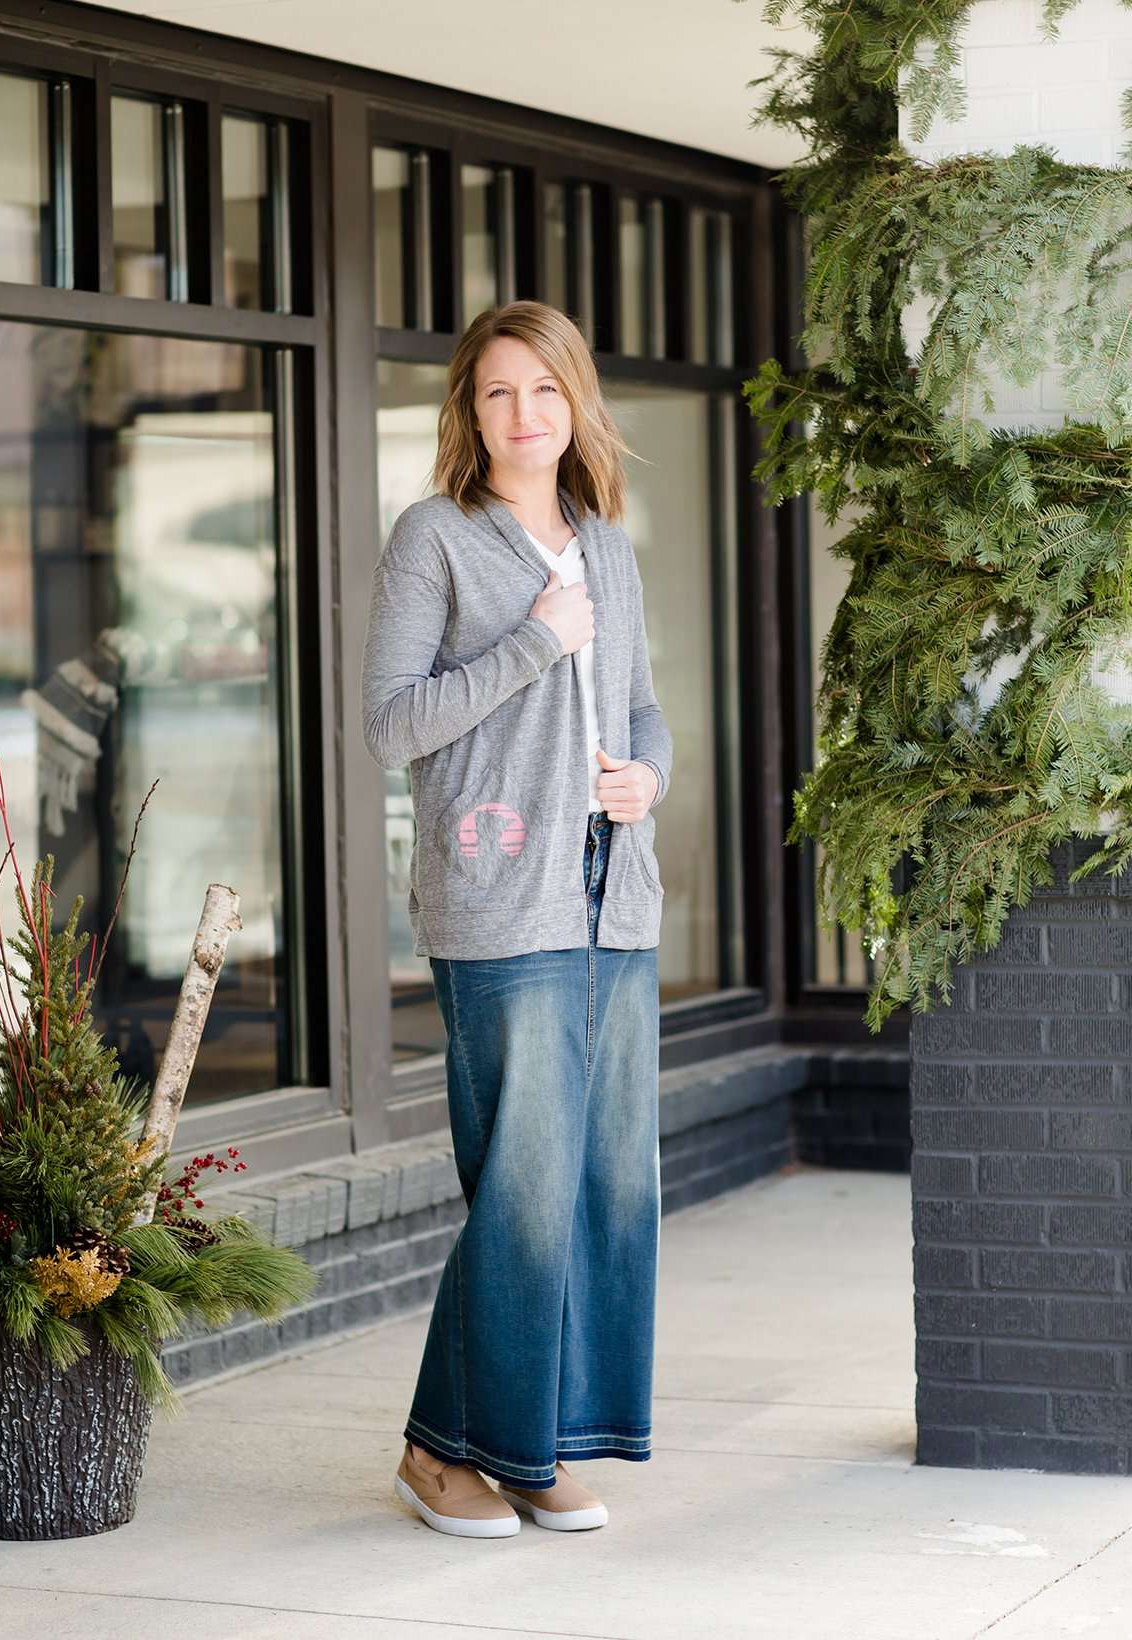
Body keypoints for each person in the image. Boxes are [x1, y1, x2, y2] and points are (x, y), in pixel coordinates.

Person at [361, 299, 672, 1539]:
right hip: (501, 897)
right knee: (525, 1186)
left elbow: (645, 710)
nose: (524, 414)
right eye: (498, 392)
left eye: (544, 390)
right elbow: (391, 724)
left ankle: (529, 1443)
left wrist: (649, 779)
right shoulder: (435, 537)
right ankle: (455, 1454)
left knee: (606, 1185)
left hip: (615, 899)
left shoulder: (609, 544)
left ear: (576, 404)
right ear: (468, 411)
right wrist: (536, 645)